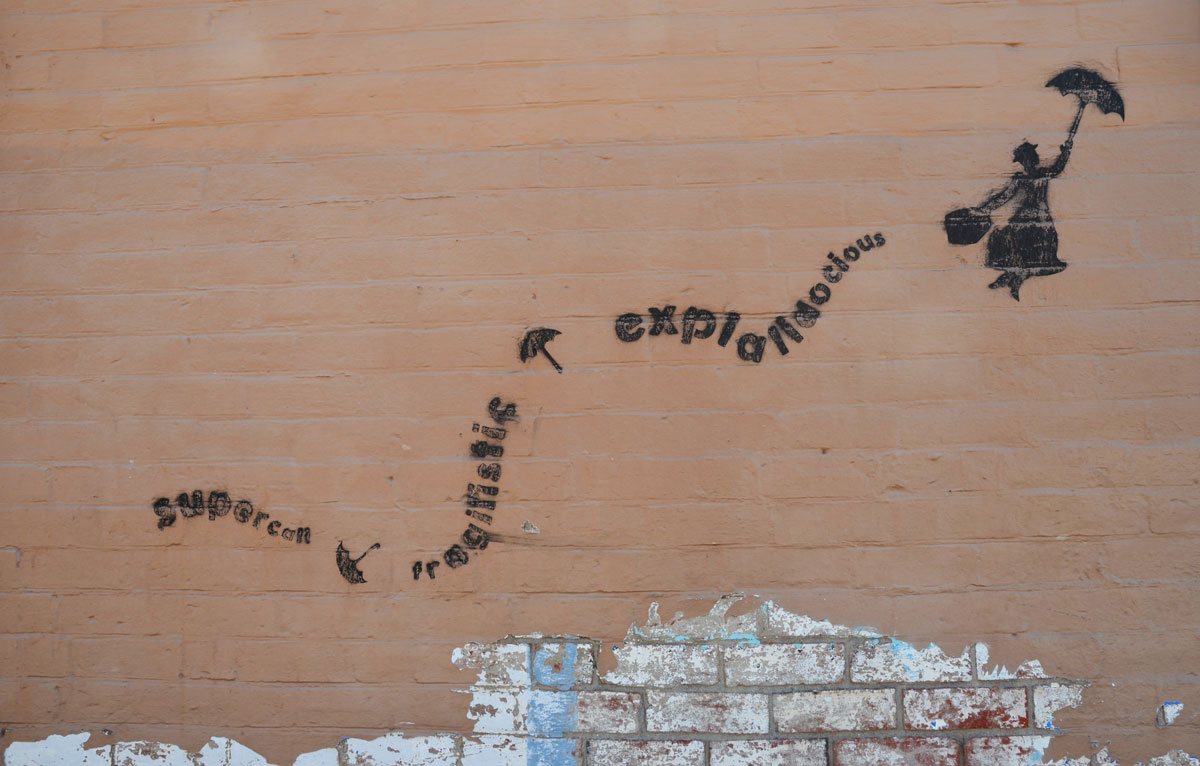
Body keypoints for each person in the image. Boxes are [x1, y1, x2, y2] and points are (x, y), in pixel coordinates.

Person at [972, 137, 1073, 300]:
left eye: (1027, 160)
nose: (1027, 163)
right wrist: (983, 210)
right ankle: (1012, 279)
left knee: (1033, 256)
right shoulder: (1024, 178)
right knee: (1023, 253)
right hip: (1029, 221)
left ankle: (1013, 279)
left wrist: (1066, 151)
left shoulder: (1040, 174)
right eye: (1025, 161)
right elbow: (1004, 197)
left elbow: (1058, 168)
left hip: (1036, 221)